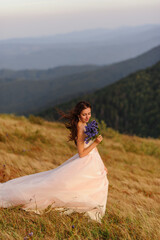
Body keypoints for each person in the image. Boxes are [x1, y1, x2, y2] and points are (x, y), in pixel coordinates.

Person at [0, 101, 109, 223]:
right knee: (62, 186)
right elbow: (81, 153)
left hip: (93, 161)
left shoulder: (86, 124)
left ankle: (88, 206)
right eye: (84, 114)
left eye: (89, 113)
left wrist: (102, 164)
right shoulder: (80, 126)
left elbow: (93, 147)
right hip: (84, 162)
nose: (87, 117)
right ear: (79, 115)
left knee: (95, 184)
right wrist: (96, 142)